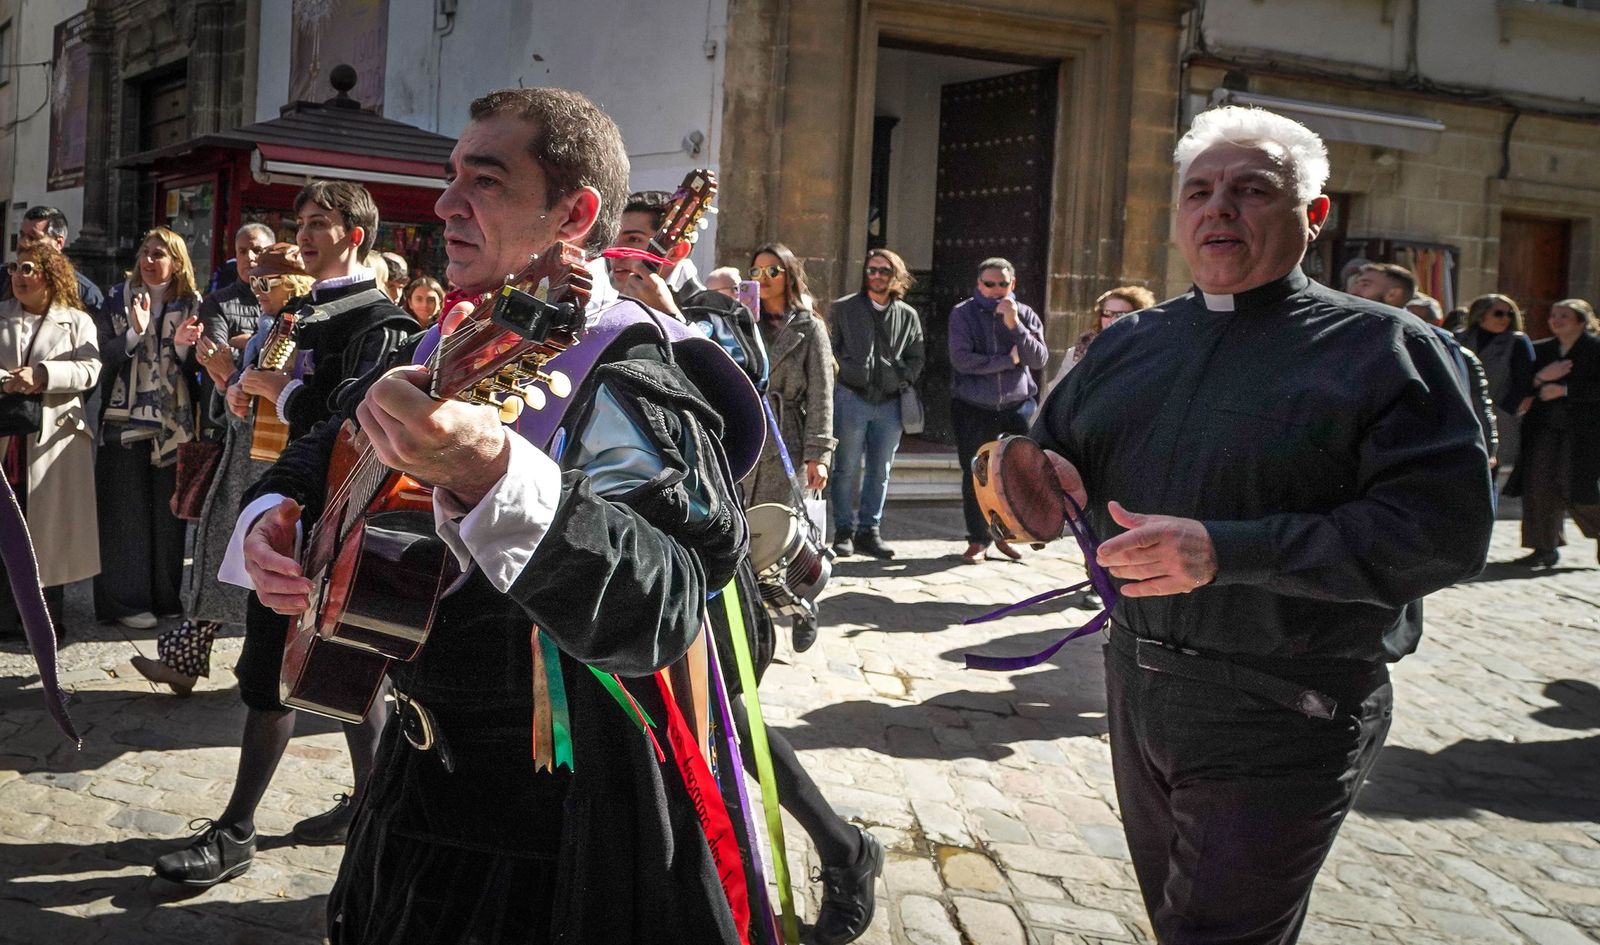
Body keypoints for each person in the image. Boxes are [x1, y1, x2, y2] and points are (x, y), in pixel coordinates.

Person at [230, 86, 778, 944]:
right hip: (415, 794)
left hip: (546, 838)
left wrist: (494, 476)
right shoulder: (456, 333)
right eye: (452, 176)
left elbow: (669, 601)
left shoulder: (631, 370)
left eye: (484, 181)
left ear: (576, 214)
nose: (445, 203)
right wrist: (275, 511)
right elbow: (332, 436)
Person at [1029, 105, 1492, 944]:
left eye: (1250, 190)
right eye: (1199, 191)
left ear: (1314, 215)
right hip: (1138, 683)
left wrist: (1228, 550)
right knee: (1183, 923)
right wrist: (1026, 483)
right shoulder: (1129, 341)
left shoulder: (1389, 350)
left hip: (1288, 702)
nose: (1219, 209)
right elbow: (1049, 459)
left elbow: (1441, 533)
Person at [151, 181, 415, 887]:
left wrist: (276, 393)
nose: (304, 233)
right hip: (282, 501)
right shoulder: (299, 306)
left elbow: (358, 421)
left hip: (335, 514)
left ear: (356, 234)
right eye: (300, 221)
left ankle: (243, 829)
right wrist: (240, 384)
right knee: (301, 669)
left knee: (333, 670)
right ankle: (362, 809)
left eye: (321, 222)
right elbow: (266, 391)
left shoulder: (379, 318)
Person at [130, 243, 306, 695]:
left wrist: (228, 374)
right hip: (245, 468)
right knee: (224, 566)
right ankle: (194, 658)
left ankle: (230, 664)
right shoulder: (273, 329)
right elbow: (240, 410)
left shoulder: (298, 333)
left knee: (241, 569)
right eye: (254, 280)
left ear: (294, 284)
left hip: (266, 475)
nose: (256, 288)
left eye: (266, 281)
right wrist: (225, 378)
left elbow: (277, 417)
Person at [93, 226, 205, 630]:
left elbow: (199, 370)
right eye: (146, 251)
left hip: (173, 428)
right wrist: (134, 333)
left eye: (159, 253)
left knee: (167, 517)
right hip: (122, 427)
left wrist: (180, 348)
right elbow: (99, 357)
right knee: (125, 516)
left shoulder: (194, 304)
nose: (149, 259)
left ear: (176, 263)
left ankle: (164, 597)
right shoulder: (115, 300)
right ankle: (126, 602)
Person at [0, 244, 100, 638]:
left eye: (27, 268)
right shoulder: (1, 314)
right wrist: (8, 380)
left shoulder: (76, 320)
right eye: (14, 268)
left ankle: (44, 620)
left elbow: (90, 369)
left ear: (49, 275)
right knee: (7, 527)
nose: (18, 276)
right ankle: (6, 619)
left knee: (48, 534)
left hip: (53, 441)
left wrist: (43, 375)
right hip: (7, 440)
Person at [947, 257, 1047, 564]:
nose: (996, 290)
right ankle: (978, 539)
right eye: (989, 284)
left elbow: (1039, 358)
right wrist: (1008, 361)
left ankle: (1008, 536)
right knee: (976, 474)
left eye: (1003, 284)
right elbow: (963, 360)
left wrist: (1015, 326)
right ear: (979, 284)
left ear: (1012, 284)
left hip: (1017, 406)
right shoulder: (963, 314)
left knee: (1016, 474)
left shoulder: (1024, 314)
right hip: (974, 406)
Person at [827, 246, 924, 559]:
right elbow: (830, 350)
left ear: (894, 275)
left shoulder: (907, 315)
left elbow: (917, 355)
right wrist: (849, 372)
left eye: (884, 270)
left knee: (880, 470)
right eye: (872, 270)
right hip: (851, 398)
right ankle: (844, 530)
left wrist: (902, 378)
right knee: (845, 468)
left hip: (890, 403)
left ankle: (870, 530)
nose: (878, 275)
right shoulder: (844, 308)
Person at [1350, 263, 1498, 464]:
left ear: (1393, 294)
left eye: (1365, 284)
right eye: (1356, 283)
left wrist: (1486, 451)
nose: (1354, 290)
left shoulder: (1429, 342)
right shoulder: (1344, 335)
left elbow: (1471, 404)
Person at [1502, 298, 1600, 568]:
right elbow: (1520, 387)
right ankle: (1544, 547)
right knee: (1539, 486)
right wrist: (1541, 378)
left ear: (1581, 321)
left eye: (1564, 316)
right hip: (1543, 429)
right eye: (1553, 315)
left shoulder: (1595, 349)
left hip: (1583, 433)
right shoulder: (1540, 351)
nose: (1555, 320)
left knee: (1578, 489)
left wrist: (1566, 390)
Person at [1458, 293, 1535, 472]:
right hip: (1464, 408)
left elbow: (1524, 380)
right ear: (1480, 314)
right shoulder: (1460, 338)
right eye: (1499, 313)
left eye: (1510, 314)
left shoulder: (1516, 341)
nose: (1505, 319)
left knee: (1490, 466)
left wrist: (1507, 409)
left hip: (1499, 413)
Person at [1043, 286, 1155, 400]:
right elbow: (1056, 393)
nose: (1112, 320)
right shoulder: (1079, 353)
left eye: (1120, 315)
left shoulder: (1146, 350)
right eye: (1107, 313)